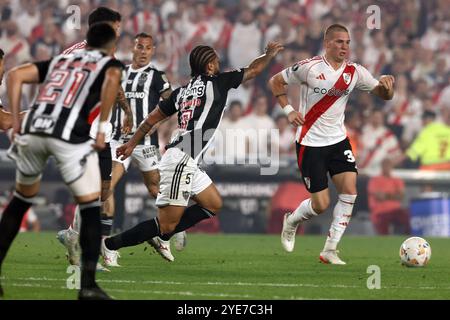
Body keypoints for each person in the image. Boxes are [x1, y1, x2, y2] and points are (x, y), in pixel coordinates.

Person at [101, 42, 283, 257]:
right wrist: (269, 54)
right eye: (215, 60)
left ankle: (161, 235)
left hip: (185, 157)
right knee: (167, 225)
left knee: (213, 203)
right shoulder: (218, 83)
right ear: (209, 67)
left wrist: (131, 143)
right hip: (181, 159)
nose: (218, 63)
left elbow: (151, 119)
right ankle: (108, 246)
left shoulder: (181, 92)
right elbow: (254, 70)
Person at [0, 23, 123, 299]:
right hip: (66, 134)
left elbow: (16, 75)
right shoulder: (109, 63)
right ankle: (88, 287)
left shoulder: (62, 59)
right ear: (109, 45)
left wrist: (19, 122)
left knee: (20, 202)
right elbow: (112, 83)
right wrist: (103, 129)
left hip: (34, 129)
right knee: (92, 207)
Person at [268, 24, 395, 264]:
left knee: (350, 190)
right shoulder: (309, 68)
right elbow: (276, 81)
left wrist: (388, 87)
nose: (344, 47)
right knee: (321, 204)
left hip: (338, 141)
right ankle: (292, 220)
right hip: (310, 143)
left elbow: (383, 94)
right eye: (339, 42)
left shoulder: (355, 72)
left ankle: (330, 249)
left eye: (347, 42)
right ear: (327, 44)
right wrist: (288, 110)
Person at [56, 7, 133, 270]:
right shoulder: (77, 55)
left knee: (102, 191)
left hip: (101, 132)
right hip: (79, 132)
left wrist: (126, 110)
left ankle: (72, 234)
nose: (120, 32)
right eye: (117, 26)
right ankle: (82, 255)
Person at [102, 32, 185, 265]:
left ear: (153, 50)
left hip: (146, 143)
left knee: (155, 189)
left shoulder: (157, 76)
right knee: (107, 187)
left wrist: (155, 124)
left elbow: (172, 105)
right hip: (119, 141)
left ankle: (167, 231)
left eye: (147, 48)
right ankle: (106, 245)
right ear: (133, 48)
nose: (143, 51)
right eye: (139, 47)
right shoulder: (120, 73)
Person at [367, 158, 410, 235]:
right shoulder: (375, 180)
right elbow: (379, 196)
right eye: (385, 165)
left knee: (406, 218)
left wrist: (386, 195)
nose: (387, 167)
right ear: (382, 166)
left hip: (395, 210)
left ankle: (407, 239)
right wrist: (394, 195)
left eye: (388, 165)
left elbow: (401, 196)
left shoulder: (397, 180)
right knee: (382, 225)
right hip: (381, 211)